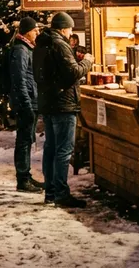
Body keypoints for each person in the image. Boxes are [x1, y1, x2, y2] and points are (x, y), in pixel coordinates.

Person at [33, 12, 93, 208]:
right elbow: (72, 73)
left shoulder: (41, 44)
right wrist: (87, 62)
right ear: (63, 28)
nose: (71, 32)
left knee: (51, 148)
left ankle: (50, 191)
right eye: (70, 28)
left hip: (49, 103)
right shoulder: (60, 44)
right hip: (63, 104)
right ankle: (61, 194)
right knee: (64, 150)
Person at [9, 17, 43, 193]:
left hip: (30, 99)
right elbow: (19, 79)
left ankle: (26, 175)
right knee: (23, 140)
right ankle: (22, 179)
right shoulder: (21, 50)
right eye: (35, 30)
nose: (37, 33)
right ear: (27, 31)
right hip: (26, 101)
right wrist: (26, 103)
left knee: (28, 139)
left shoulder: (27, 48)